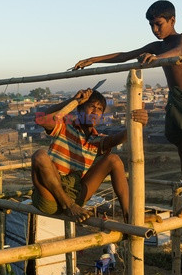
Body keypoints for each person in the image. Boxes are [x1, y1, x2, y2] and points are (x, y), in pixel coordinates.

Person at [73, 0, 182, 216]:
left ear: (172, 20)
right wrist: (93, 60)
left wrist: (157, 58)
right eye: (151, 26)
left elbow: (178, 51)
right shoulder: (156, 46)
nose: (155, 30)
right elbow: (124, 55)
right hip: (174, 100)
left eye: (159, 24)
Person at [31, 88, 147, 223]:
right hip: (51, 193)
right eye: (91, 106)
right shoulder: (64, 126)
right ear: (79, 110)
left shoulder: (97, 140)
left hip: (76, 194)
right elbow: (40, 119)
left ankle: (129, 216)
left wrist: (138, 122)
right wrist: (74, 101)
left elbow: (120, 137)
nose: (94, 112)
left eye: (99, 109)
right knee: (39, 155)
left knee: (113, 160)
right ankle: (67, 205)